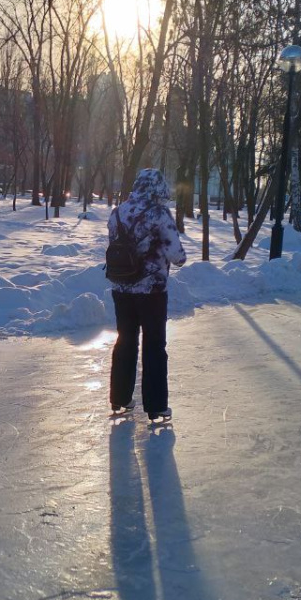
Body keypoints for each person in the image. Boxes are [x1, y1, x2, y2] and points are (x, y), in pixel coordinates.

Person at [108, 168, 186, 421]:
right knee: (154, 345)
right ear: (159, 188)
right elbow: (178, 255)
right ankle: (155, 406)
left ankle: (120, 399)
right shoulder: (159, 214)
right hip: (152, 291)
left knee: (125, 340)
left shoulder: (117, 212)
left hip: (121, 288)